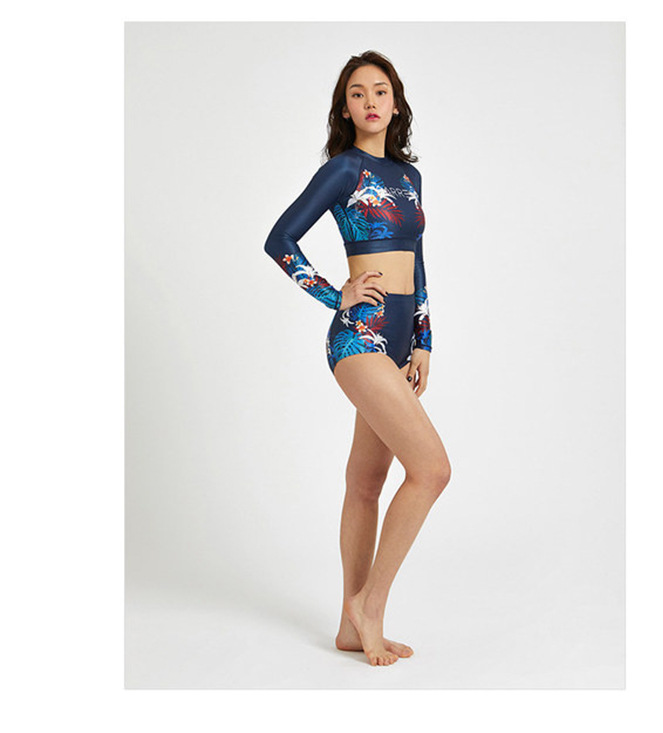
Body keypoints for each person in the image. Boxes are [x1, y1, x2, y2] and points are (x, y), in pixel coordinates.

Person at [264, 50, 451, 666]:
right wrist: (333, 294)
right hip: (359, 338)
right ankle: (369, 605)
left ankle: (350, 625)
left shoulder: (409, 177)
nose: (370, 101)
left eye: (380, 91)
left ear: (396, 104)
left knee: (366, 483)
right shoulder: (345, 169)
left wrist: (423, 340)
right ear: (345, 109)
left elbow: (417, 264)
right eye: (356, 93)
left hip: (398, 342)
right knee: (432, 470)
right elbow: (279, 238)